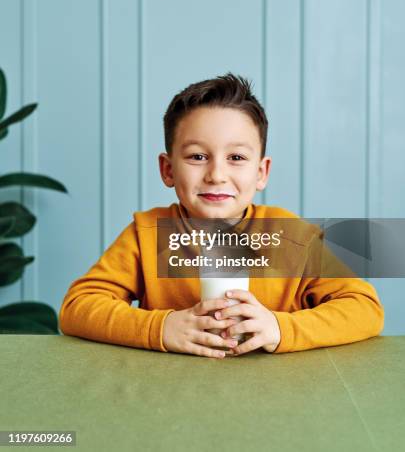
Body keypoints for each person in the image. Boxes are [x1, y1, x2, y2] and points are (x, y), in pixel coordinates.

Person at [58, 73, 384, 358]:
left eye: (236, 157)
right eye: (198, 156)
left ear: (261, 172)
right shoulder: (147, 235)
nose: (216, 174)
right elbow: (78, 307)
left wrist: (281, 328)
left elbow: (364, 308)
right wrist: (161, 327)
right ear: (168, 169)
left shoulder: (294, 238)